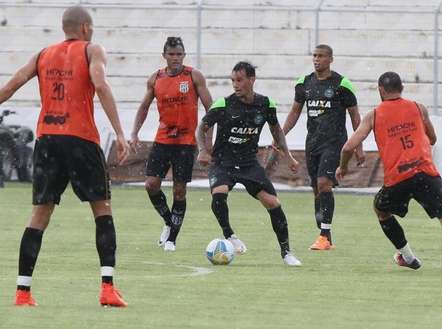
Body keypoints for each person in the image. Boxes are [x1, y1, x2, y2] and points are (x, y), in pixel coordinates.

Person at [0, 6, 129, 306]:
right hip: (80, 139)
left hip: (47, 140)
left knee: (39, 214)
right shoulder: (92, 50)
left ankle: (22, 292)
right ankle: (107, 289)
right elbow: (101, 85)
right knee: (102, 209)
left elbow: (10, 87)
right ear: (85, 27)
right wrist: (119, 132)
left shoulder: (43, 54)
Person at [336, 71, 442, 269]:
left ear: (380, 90)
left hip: (398, 178)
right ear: (401, 88)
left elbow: (348, 147)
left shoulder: (374, 115)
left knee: (381, 210)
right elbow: (433, 139)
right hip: (425, 173)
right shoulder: (418, 108)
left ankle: (407, 257)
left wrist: (342, 167)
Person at [197, 61, 302, 266]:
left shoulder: (265, 104)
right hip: (223, 162)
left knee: (273, 204)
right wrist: (202, 150)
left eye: (240, 80)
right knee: (219, 194)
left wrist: (288, 156)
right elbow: (201, 128)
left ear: (252, 80)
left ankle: (287, 253)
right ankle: (230, 235)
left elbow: (276, 131)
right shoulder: (223, 104)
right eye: (233, 81)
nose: (235, 85)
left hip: (248, 163)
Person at [271, 44, 365, 250]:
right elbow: (295, 112)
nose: (316, 59)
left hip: (335, 142)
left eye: (321, 56)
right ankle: (325, 232)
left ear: (330, 59)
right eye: (314, 56)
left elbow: (355, 116)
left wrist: (358, 147)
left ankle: (323, 235)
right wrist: (280, 136)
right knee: (316, 189)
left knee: (324, 184)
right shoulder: (304, 83)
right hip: (312, 143)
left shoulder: (342, 84)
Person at [130, 37, 213, 252]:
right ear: (164, 55)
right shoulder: (155, 78)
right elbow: (144, 107)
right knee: (151, 185)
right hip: (163, 140)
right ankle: (169, 221)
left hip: (186, 143)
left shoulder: (194, 76)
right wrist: (134, 133)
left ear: (184, 55)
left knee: (179, 191)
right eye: (172, 54)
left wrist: (207, 145)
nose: (175, 58)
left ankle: (171, 240)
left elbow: (211, 111)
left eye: (179, 54)